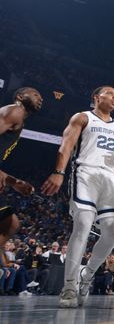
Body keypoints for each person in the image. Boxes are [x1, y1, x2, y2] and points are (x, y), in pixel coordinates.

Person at [41, 86, 114, 307]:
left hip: (110, 177)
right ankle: (69, 287)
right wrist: (59, 172)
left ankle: (87, 274)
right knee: (83, 225)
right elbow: (66, 145)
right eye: (109, 93)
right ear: (96, 97)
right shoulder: (82, 117)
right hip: (85, 172)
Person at [0, 88, 42, 257]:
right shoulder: (15, 110)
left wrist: (14, 182)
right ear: (19, 97)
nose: (40, 98)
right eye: (35, 94)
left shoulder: (17, 120)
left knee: (11, 223)